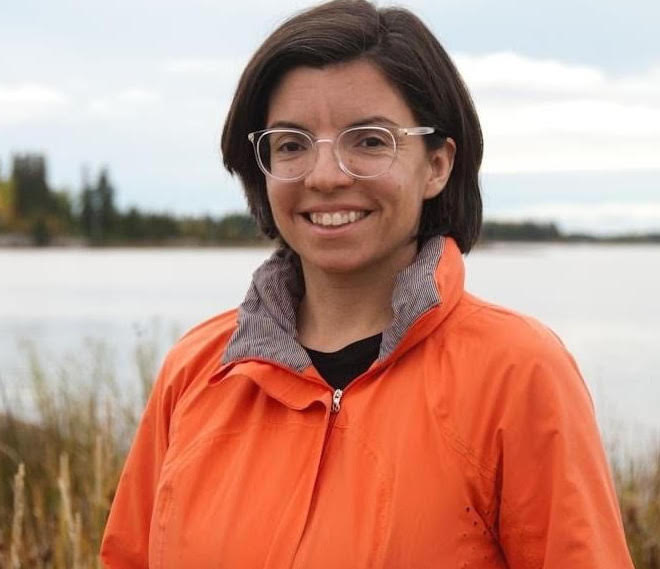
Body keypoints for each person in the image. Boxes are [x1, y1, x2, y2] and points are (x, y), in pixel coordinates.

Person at [100, 1, 634, 567]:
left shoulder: (519, 372)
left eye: (370, 141)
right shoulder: (197, 371)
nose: (326, 176)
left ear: (436, 165)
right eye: (291, 144)